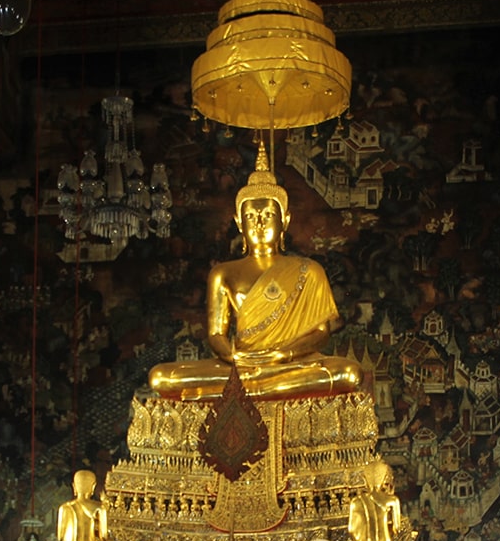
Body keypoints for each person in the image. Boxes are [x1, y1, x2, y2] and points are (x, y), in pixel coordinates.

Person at [148, 143, 362, 401]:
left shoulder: (308, 271)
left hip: (291, 364)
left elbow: (320, 334)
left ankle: (251, 390)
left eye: (268, 214)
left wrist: (281, 355)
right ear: (239, 222)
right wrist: (235, 358)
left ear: (285, 220)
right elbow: (217, 335)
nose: (259, 223)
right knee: (161, 377)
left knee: (347, 373)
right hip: (239, 366)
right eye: (251, 216)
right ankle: (257, 387)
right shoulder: (223, 273)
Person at [347, 460, 402, 541]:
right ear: (385, 479)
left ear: (364, 479)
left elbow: (352, 530)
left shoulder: (356, 501)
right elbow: (397, 528)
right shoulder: (392, 500)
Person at [56, 469, 106, 541]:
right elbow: (103, 536)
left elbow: (60, 537)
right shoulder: (100, 508)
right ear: (93, 487)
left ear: (74, 487)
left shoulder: (64, 508)